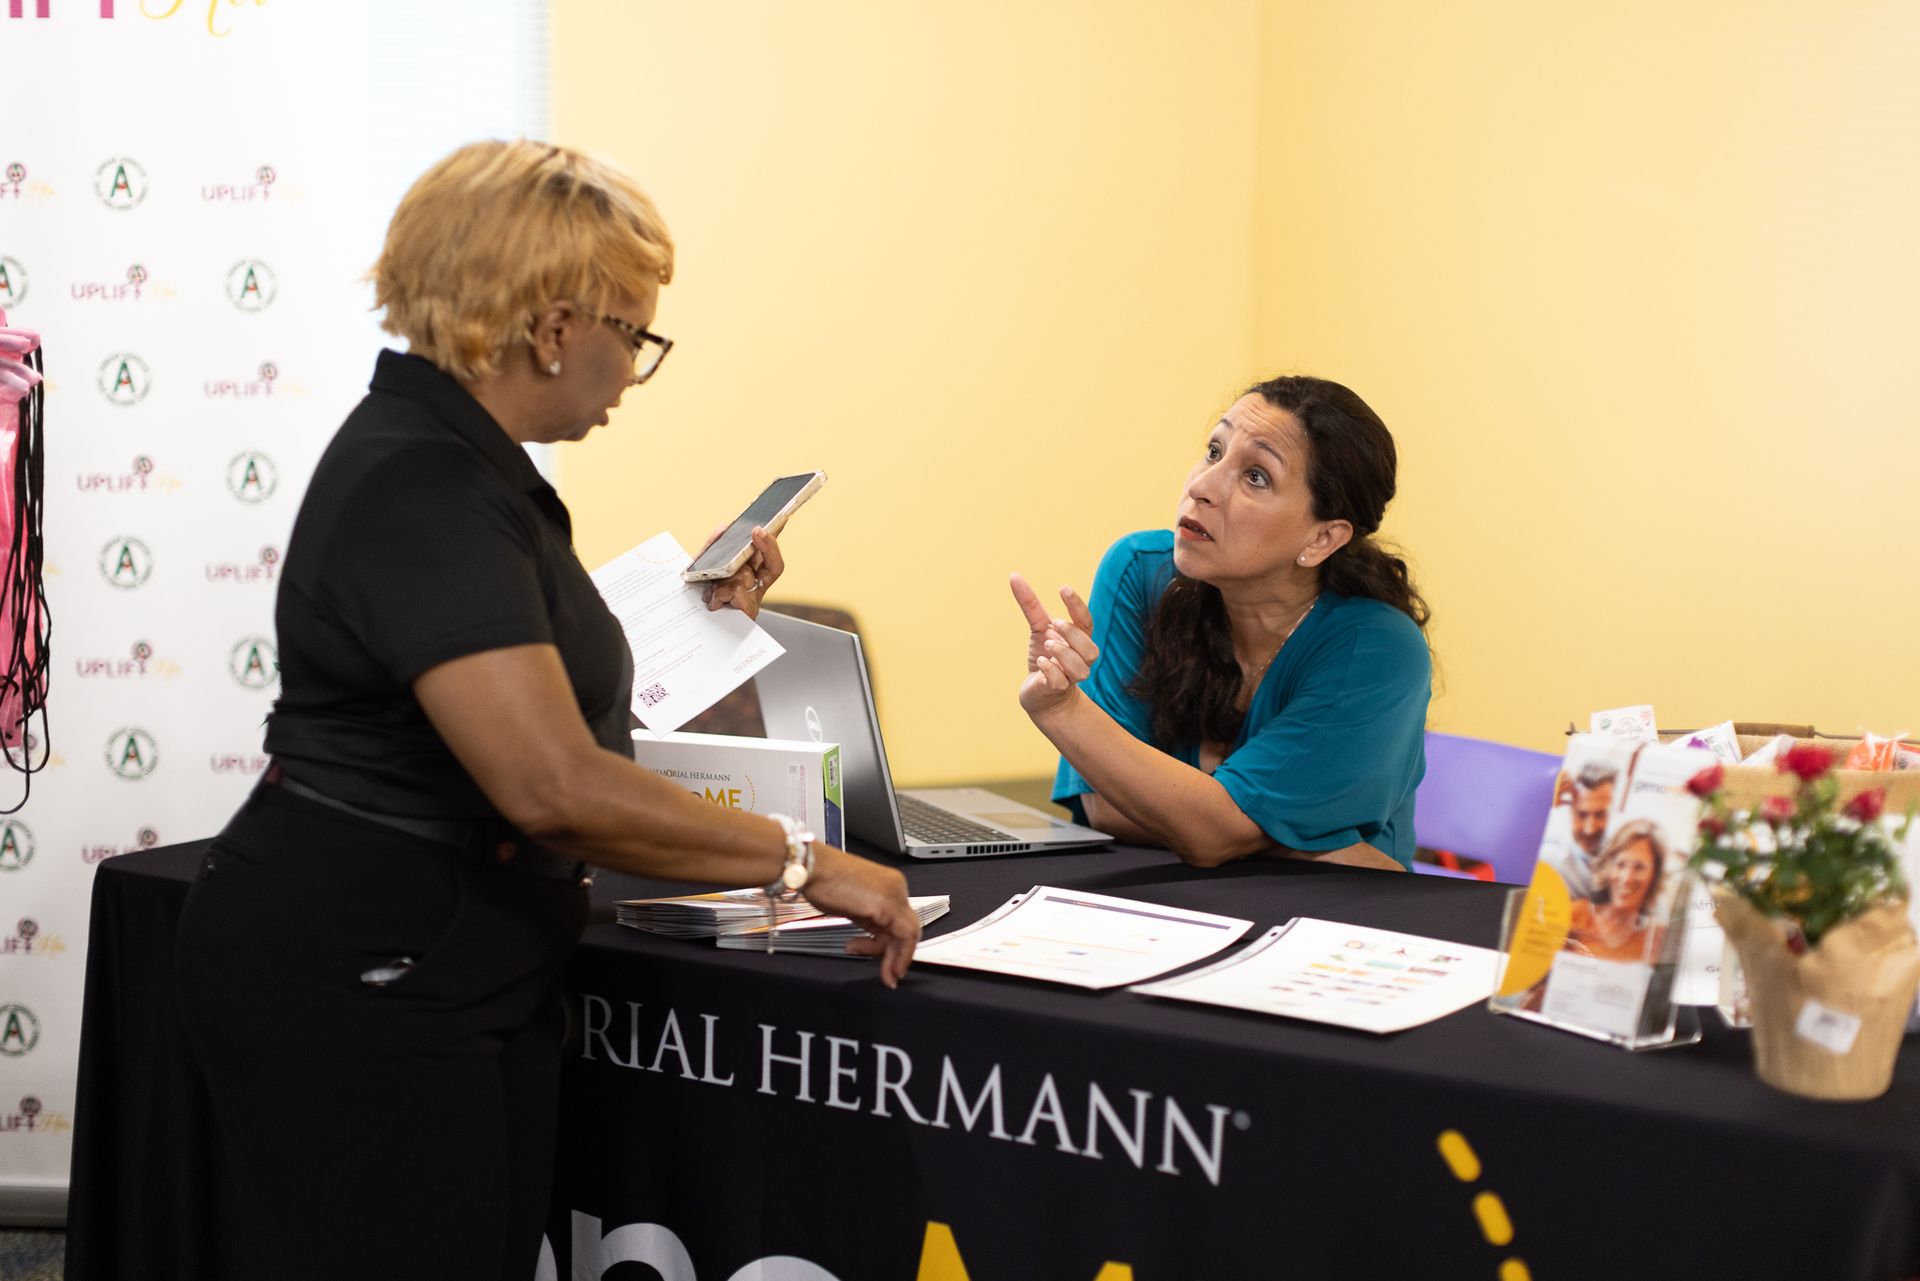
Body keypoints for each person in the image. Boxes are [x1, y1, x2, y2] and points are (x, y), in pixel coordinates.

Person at [172, 140, 919, 1281]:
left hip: (445, 955)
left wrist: (695, 624)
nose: (632, 372)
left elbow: (528, 690)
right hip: (371, 971)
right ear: (555, 326)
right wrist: (801, 860)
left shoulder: (465, 472)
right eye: (634, 335)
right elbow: (551, 783)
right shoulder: (424, 486)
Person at [1011, 375, 1431, 871]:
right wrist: (1285, 839)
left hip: (1335, 923)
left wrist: (1067, 714)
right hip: (1181, 905)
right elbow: (1103, 804)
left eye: (1256, 476)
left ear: (1322, 539)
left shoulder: (1378, 649)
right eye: (1214, 451)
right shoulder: (1140, 572)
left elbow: (1205, 834)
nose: (1201, 486)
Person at [1565, 818, 1667, 963]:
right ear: (1609, 867)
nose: (1627, 878)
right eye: (1620, 864)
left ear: (1654, 876)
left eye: (1639, 867)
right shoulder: (1575, 915)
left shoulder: (1653, 942)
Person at [1543, 760, 1618, 899]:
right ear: (1569, 808)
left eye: (1601, 814)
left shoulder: (1627, 860)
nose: (1590, 829)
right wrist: (1541, 803)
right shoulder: (1549, 857)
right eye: (1581, 815)